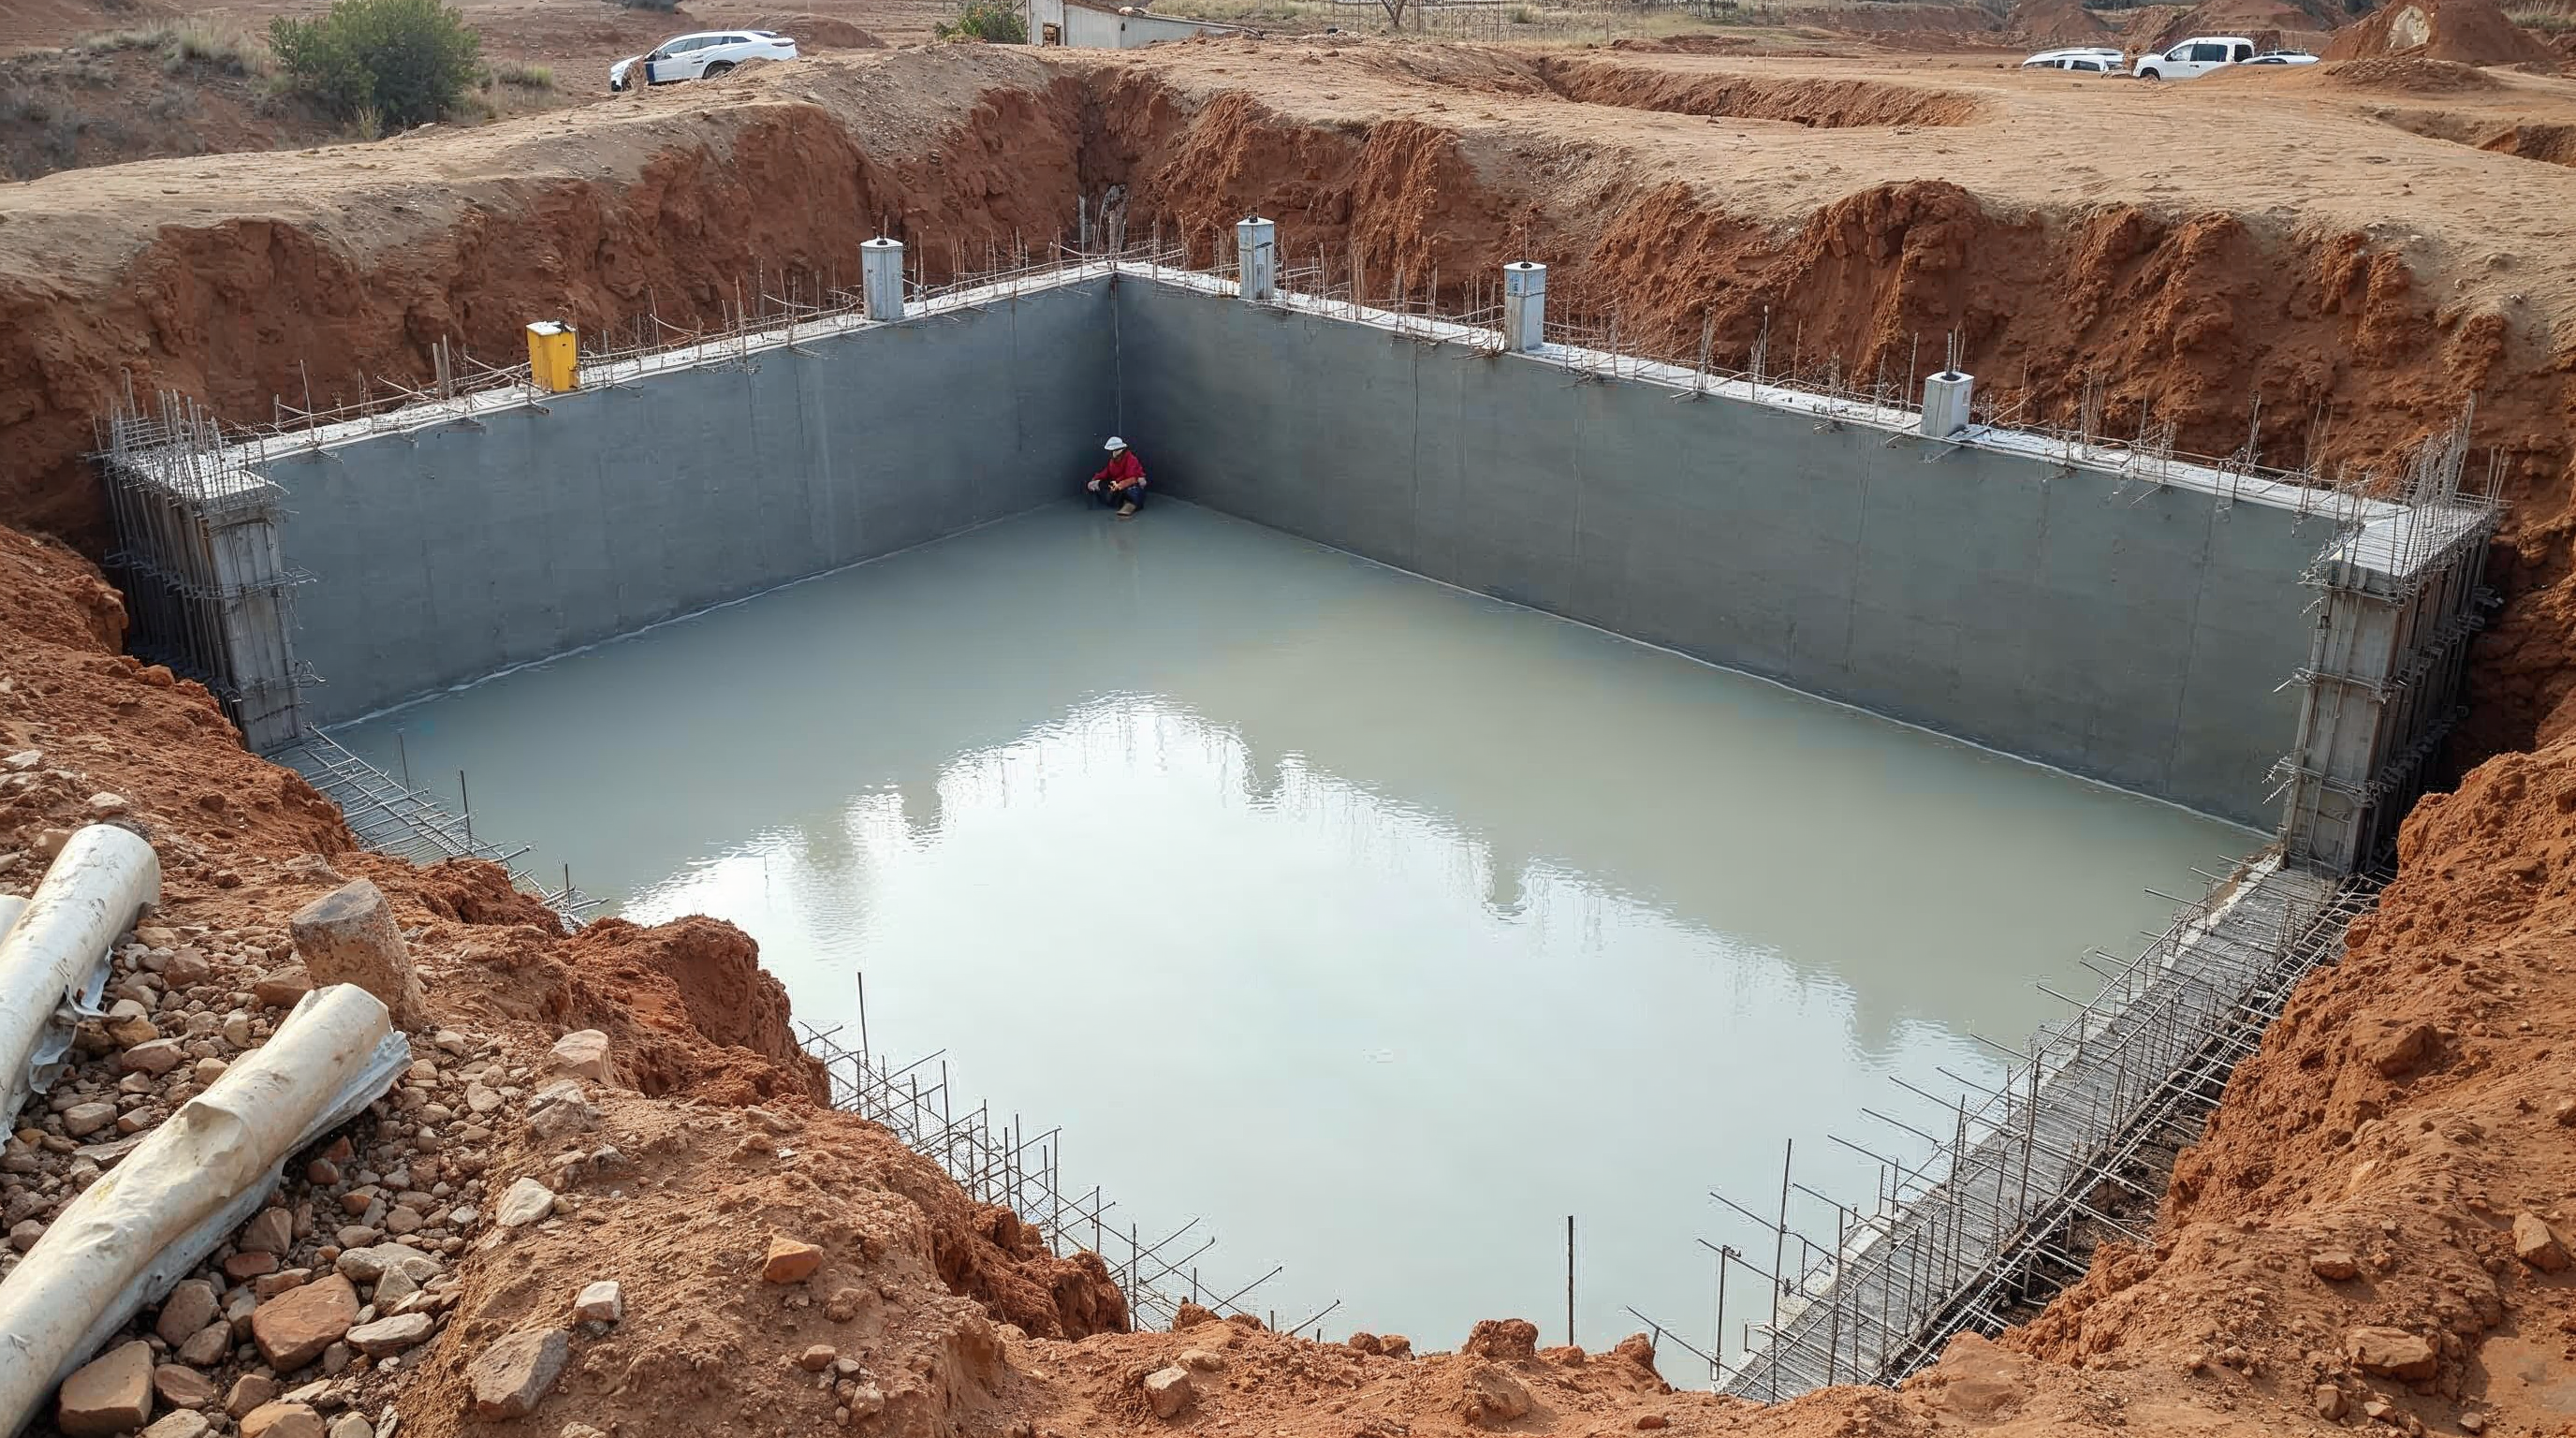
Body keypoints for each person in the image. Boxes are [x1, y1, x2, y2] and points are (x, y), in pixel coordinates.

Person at [1087, 436, 1146, 517]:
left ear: (1121, 450)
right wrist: (1094, 480)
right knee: (1100, 486)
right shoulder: (1112, 461)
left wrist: (1118, 485)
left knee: (1133, 490)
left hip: (1130, 485)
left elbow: (1132, 478)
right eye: (1112, 451)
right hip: (1118, 485)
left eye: (1115, 450)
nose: (1113, 453)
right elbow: (1105, 472)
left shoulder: (1131, 459)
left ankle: (1130, 504)